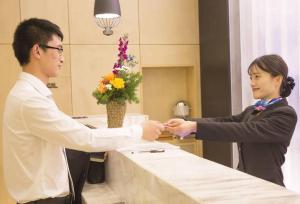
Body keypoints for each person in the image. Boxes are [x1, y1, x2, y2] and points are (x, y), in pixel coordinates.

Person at [2, 18, 164, 204]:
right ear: (37, 50)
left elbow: (68, 131)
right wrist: (140, 131)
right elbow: (86, 139)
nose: (62, 57)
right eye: (59, 49)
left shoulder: (29, 94)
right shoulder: (29, 99)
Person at [165, 54, 297, 186]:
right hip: (246, 184)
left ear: (277, 80)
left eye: (257, 77)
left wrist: (194, 127)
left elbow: (243, 130)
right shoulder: (255, 109)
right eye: (251, 77)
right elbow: (226, 121)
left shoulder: (285, 114)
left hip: (269, 188)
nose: (252, 83)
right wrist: (187, 122)